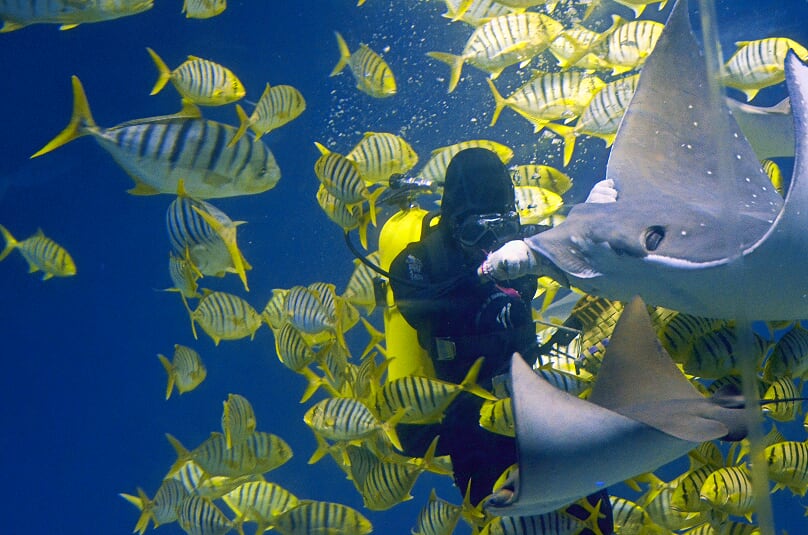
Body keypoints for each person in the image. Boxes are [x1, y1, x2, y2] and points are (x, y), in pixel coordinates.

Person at [388, 148, 614, 533]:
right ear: (452, 222)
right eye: (477, 229)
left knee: (593, 520)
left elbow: (571, 246)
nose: (489, 241)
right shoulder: (420, 262)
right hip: (470, 426)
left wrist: (591, 221)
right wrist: (486, 273)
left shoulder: (522, 247)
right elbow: (418, 301)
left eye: (502, 226)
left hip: (538, 408)